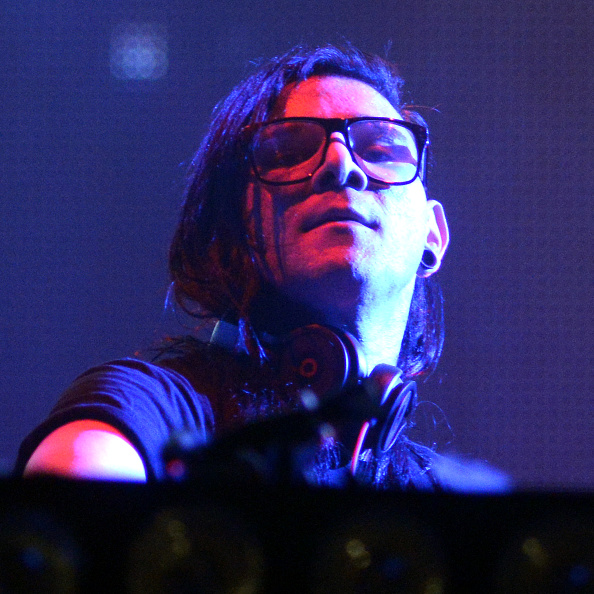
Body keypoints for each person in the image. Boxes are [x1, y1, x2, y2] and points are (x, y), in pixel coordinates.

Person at [16, 43, 509, 491]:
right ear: (236, 227)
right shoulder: (152, 408)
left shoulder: (459, 494)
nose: (341, 165)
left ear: (433, 233)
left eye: (380, 148)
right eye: (289, 152)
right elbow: (70, 510)